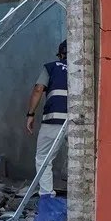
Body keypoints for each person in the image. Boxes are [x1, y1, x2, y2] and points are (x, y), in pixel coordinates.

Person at [25, 39, 67, 197]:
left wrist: (30, 114)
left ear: (61, 54)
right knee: (81, 158)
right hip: (78, 122)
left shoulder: (51, 67)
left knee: (43, 158)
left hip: (53, 121)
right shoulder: (83, 68)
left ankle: (47, 195)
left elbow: (38, 89)